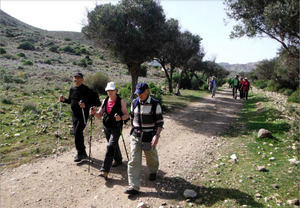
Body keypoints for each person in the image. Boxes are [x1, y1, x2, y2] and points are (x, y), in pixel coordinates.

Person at [124, 82, 164, 196]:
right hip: (136, 136)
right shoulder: (134, 102)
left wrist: (156, 135)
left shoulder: (155, 104)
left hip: (149, 136)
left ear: (147, 91)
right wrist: (133, 129)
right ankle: (134, 186)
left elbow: (160, 122)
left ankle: (153, 171)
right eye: (138, 93)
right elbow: (132, 117)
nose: (139, 95)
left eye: (141, 93)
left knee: (150, 156)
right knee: (134, 159)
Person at [90, 82, 129, 179]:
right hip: (106, 127)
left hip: (116, 127)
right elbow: (99, 115)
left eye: (111, 90)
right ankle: (118, 159)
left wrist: (120, 118)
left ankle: (105, 170)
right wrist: (94, 113)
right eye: (108, 90)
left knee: (110, 145)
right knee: (113, 145)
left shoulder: (121, 101)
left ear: (116, 90)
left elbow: (126, 115)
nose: (109, 92)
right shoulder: (105, 100)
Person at [59, 72, 101, 162]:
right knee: (78, 133)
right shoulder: (72, 89)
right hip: (74, 115)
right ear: (73, 79)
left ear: (82, 79)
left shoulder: (87, 90)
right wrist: (64, 100)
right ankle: (83, 153)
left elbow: (97, 102)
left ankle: (79, 153)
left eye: (78, 78)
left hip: (83, 115)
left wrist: (85, 105)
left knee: (77, 132)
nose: (76, 79)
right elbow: (70, 101)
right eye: (75, 78)